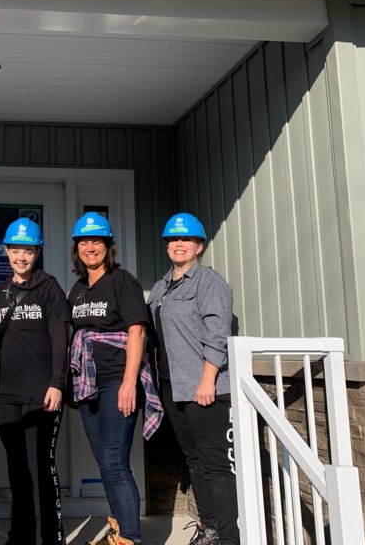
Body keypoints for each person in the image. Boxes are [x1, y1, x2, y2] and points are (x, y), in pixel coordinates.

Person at [66, 213, 163, 545]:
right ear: (76, 248)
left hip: (115, 381)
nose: (90, 247)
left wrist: (127, 382)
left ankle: (131, 538)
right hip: (88, 386)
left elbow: (136, 331)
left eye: (97, 241)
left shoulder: (123, 281)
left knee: (114, 461)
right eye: (84, 242)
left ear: (109, 246)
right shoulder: (77, 290)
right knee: (105, 462)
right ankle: (121, 528)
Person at [146, 213, 237, 545]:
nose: (178, 244)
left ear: (199, 245)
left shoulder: (209, 282)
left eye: (185, 239)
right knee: (194, 462)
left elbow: (218, 334)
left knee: (214, 465)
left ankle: (228, 537)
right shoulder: (160, 287)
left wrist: (207, 379)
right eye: (172, 240)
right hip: (172, 387)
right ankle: (209, 529)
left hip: (204, 387)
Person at [0, 217, 70, 545]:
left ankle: (52, 537)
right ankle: (21, 536)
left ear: (38, 253)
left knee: (41, 470)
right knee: (17, 470)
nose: (21, 257)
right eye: (16, 249)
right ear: (6, 251)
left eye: (28, 250)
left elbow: (60, 336)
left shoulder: (49, 287)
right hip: (5, 394)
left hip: (41, 392)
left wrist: (56, 383)